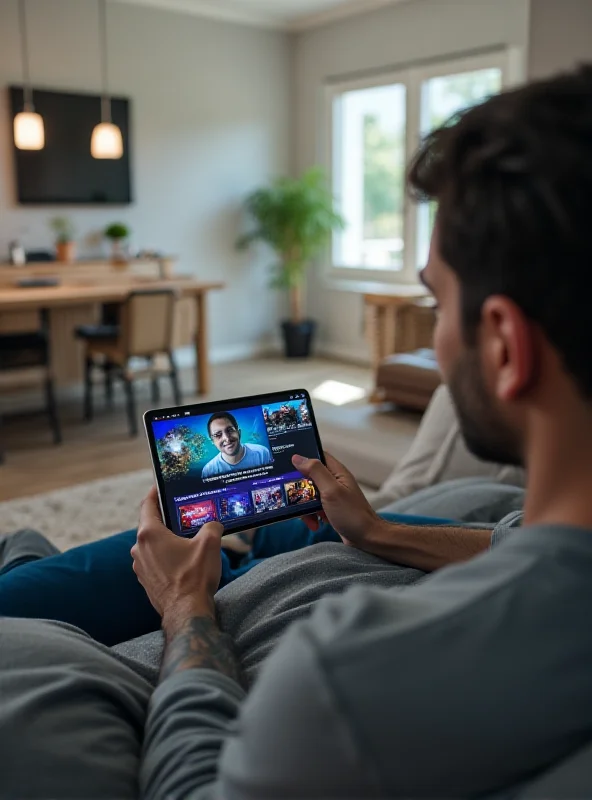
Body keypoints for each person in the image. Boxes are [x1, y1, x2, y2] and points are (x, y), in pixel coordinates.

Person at [4, 64, 592, 797]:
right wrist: (378, 532)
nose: (435, 335)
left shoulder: (342, 685)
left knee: (51, 589)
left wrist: (185, 610)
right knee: (245, 530)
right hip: (336, 553)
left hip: (233, 620)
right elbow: (520, 541)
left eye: (435, 303)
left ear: (505, 344)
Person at [201, 411, 272, 478]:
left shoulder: (262, 453)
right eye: (218, 435)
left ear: (239, 432)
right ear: (213, 442)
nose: (227, 438)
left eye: (230, 430)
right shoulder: (208, 471)